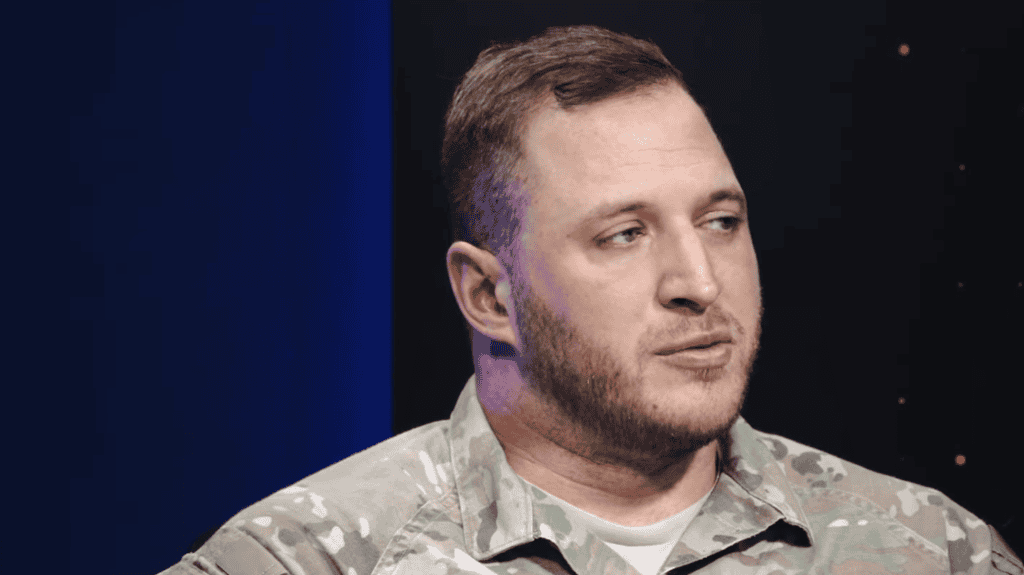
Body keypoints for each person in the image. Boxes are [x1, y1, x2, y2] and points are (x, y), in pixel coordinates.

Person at [157, 25, 1021, 575]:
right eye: (624, 234)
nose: (700, 283)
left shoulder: (936, 551)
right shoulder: (297, 562)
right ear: (488, 294)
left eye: (721, 221)